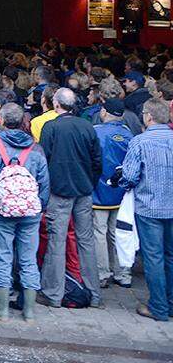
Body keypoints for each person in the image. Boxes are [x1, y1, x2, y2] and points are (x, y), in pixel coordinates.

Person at [0, 103, 49, 322]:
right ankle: (29, 312)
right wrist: (39, 206)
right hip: (30, 212)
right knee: (28, 259)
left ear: (0, 120)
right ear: (23, 122)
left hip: (1, 211)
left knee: (2, 257)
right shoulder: (36, 148)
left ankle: (2, 311)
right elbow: (44, 183)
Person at [38, 87, 103, 308]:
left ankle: (53, 294)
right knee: (86, 242)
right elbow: (97, 162)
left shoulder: (51, 127)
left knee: (57, 242)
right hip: (83, 191)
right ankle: (94, 295)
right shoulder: (87, 126)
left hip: (59, 192)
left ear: (56, 104)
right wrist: (89, 183)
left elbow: (44, 162)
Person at [119, 98, 173, 321]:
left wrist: (123, 184)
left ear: (148, 117)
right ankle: (170, 302)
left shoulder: (139, 142)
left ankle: (158, 307)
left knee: (154, 257)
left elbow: (130, 176)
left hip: (148, 206)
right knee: (171, 256)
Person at [93, 97, 134, 290]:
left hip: (99, 190)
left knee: (99, 232)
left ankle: (102, 273)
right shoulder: (129, 135)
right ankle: (122, 272)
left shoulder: (96, 132)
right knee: (120, 232)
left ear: (104, 112)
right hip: (121, 191)